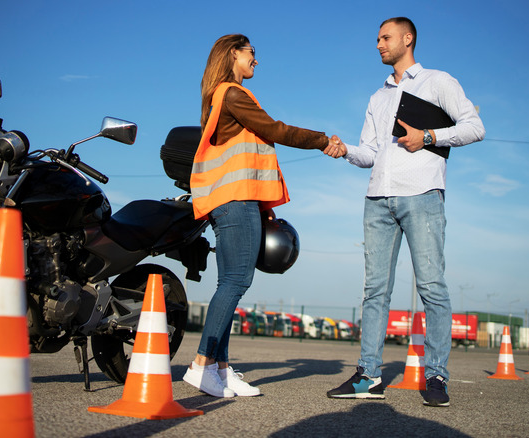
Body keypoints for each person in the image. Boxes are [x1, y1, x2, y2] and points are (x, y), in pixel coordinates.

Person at [324, 17, 485, 407]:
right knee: (374, 291)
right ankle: (369, 375)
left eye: (385, 37)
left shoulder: (437, 82)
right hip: (378, 199)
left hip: (423, 195)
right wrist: (346, 150)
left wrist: (427, 137)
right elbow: (371, 153)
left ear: (407, 39)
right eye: (377, 39)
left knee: (432, 287)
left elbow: (475, 127)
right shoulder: (376, 97)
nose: (378, 44)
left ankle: (436, 376)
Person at [183, 34, 337, 398]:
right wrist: (322, 140)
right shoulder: (233, 94)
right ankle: (202, 365)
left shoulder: (219, 96)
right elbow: (275, 130)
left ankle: (221, 370)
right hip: (235, 200)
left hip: (230, 200)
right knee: (235, 281)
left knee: (230, 283)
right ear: (234, 53)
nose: (256, 60)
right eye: (252, 53)